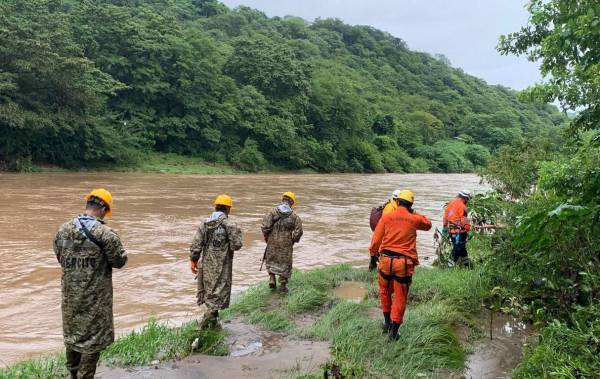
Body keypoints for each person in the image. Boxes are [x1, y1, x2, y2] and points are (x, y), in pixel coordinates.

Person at [53, 189, 128, 379]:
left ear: (88, 205)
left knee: (73, 338)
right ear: (103, 209)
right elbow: (119, 261)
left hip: (70, 299)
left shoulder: (62, 230)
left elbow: (60, 257)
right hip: (95, 301)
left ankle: (72, 374)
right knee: (92, 342)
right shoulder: (106, 234)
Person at [369, 190, 432, 341]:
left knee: (384, 292)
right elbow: (428, 224)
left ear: (397, 202)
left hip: (385, 261)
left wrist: (372, 255)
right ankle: (394, 332)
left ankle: (387, 323)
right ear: (410, 204)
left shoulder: (387, 217)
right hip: (403, 264)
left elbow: (375, 240)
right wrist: (413, 212)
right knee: (400, 297)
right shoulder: (414, 219)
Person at [190, 194, 242, 328]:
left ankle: (213, 322)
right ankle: (205, 323)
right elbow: (237, 245)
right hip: (222, 265)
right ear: (228, 209)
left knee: (208, 290)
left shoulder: (205, 223)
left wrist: (193, 260)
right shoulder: (230, 224)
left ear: (216, 207)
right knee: (219, 291)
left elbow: (196, 245)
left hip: (206, 264)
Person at [261, 192, 303, 294]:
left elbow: (264, 227)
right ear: (292, 202)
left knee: (271, 259)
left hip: (272, 242)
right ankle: (283, 285)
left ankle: (272, 278)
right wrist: (293, 240)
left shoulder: (271, 212)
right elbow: (299, 232)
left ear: (282, 199)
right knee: (285, 263)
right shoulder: (294, 216)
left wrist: (267, 237)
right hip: (286, 244)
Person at [443, 190, 472, 266]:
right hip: (460, 233)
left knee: (462, 249)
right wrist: (469, 230)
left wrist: (444, 228)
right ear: (465, 198)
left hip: (451, 231)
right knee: (457, 250)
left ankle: (467, 266)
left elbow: (445, 217)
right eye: (467, 200)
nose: (467, 201)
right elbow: (464, 222)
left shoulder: (451, 203)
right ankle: (449, 267)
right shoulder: (463, 207)